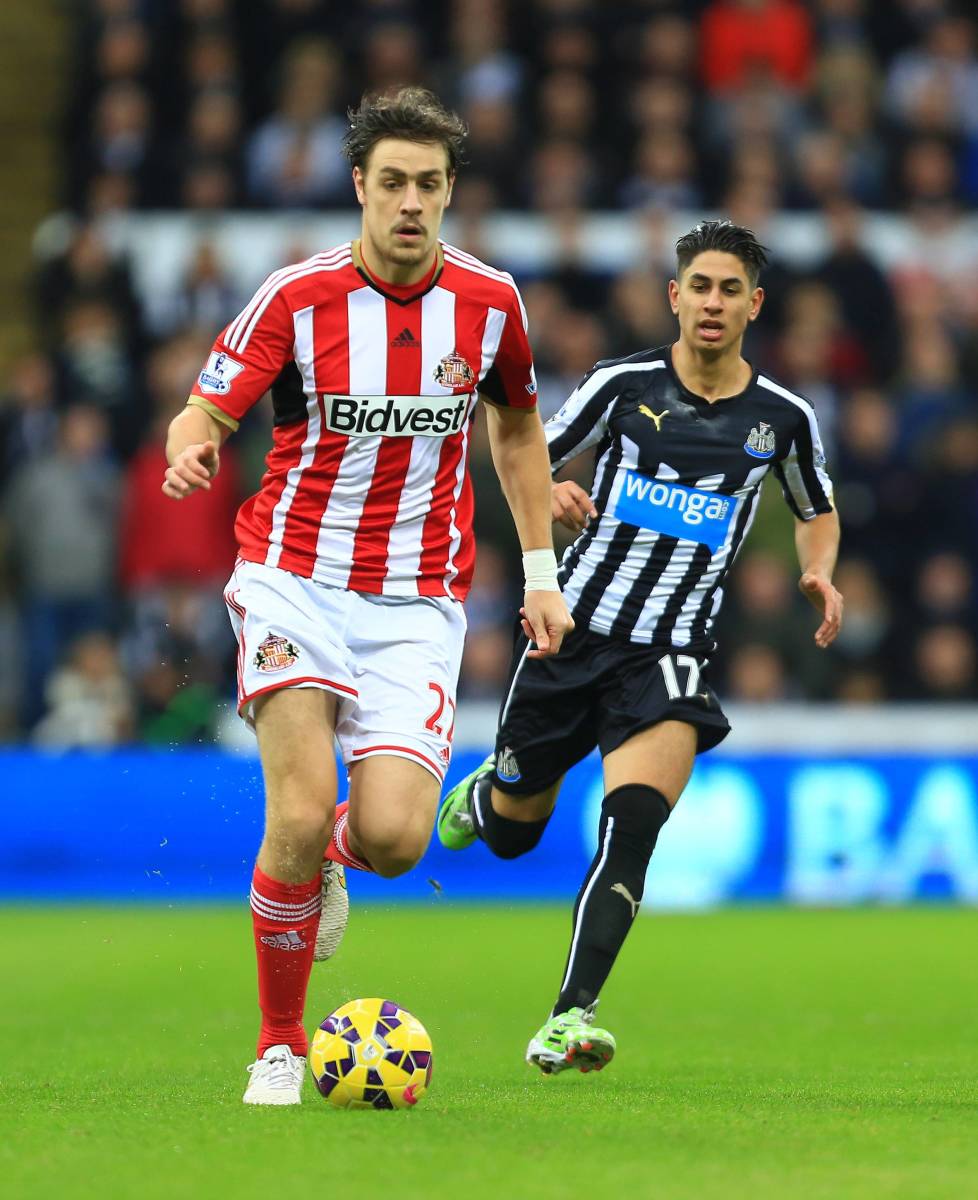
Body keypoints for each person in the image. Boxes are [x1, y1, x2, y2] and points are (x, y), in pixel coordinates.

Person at [162, 87, 572, 1104]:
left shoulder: (490, 304)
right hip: (293, 579)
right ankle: (277, 1041)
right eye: (391, 182)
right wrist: (194, 449)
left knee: (391, 840)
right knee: (296, 810)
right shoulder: (295, 298)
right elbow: (202, 409)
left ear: (449, 193)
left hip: (417, 604)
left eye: (429, 185)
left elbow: (517, 433)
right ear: (359, 186)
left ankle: (335, 858)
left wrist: (539, 571)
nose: (410, 203)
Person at [438, 219, 843, 1075]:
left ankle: (569, 1015)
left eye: (731, 289)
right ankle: (489, 797)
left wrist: (818, 573)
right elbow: (523, 449)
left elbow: (817, 507)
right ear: (675, 296)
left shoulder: (784, 419)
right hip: (571, 633)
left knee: (632, 834)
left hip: (672, 653)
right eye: (700, 285)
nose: (713, 302)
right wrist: (552, 490)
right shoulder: (623, 385)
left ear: (753, 305)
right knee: (515, 831)